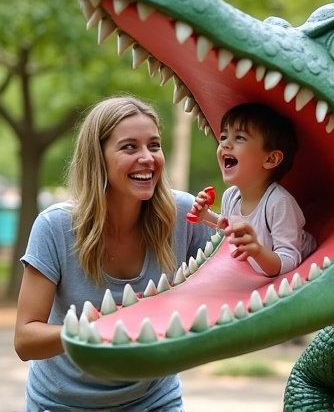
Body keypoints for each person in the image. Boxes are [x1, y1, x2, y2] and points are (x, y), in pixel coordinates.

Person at [14, 95, 214, 412]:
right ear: (99, 157)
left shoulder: (184, 215)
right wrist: (96, 328)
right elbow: (26, 340)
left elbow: (240, 268)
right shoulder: (55, 227)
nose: (148, 158)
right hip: (61, 402)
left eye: (154, 145)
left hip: (153, 399)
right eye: (129, 147)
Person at [191, 102, 316, 277]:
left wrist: (257, 250)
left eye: (239, 138)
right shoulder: (231, 196)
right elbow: (226, 226)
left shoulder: (279, 203)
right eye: (224, 137)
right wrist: (206, 215)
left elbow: (289, 260)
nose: (225, 144)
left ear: (271, 159)